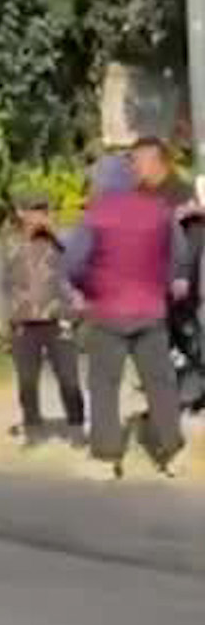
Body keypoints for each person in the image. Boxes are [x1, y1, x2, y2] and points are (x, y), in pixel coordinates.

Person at [63, 142, 191, 478]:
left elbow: (73, 263)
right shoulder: (159, 211)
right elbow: (177, 256)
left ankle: (106, 458)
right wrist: (163, 283)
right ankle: (173, 452)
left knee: (105, 383)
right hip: (151, 309)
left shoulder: (95, 215)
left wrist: (89, 287)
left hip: (107, 311)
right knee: (160, 382)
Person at [0, 190, 85, 448]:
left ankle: (76, 428)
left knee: (69, 379)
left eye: (43, 209)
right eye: (33, 209)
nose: (39, 214)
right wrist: (0, 319)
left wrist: (53, 230)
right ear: (20, 212)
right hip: (23, 321)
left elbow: (79, 257)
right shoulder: (7, 243)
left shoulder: (59, 238)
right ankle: (33, 430)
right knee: (27, 381)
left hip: (58, 318)